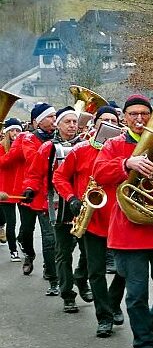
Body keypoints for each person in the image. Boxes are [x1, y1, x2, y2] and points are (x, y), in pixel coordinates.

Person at [92, 94, 153, 348]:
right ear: (124, 118)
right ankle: (144, 345)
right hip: (128, 232)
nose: (139, 119)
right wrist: (126, 163)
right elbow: (99, 173)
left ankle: (151, 328)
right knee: (136, 294)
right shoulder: (114, 144)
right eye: (133, 114)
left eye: (144, 114)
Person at [52, 106, 126, 336]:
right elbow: (59, 176)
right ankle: (104, 317)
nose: (109, 124)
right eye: (104, 120)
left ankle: (113, 302)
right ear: (95, 123)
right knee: (96, 271)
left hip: (121, 219)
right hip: (91, 218)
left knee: (124, 270)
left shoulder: (125, 150)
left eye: (114, 120)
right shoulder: (80, 150)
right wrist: (71, 198)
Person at [25, 106, 91, 312]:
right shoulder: (47, 148)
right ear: (58, 125)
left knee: (89, 251)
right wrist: (30, 188)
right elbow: (35, 173)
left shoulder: (86, 145)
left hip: (84, 205)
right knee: (63, 252)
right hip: (58, 206)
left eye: (74, 122)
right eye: (67, 122)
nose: (72, 125)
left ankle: (81, 277)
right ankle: (67, 294)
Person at [14, 103, 57, 282]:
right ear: (37, 121)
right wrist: (53, 147)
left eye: (55, 116)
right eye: (50, 117)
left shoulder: (59, 137)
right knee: (26, 230)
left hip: (47, 194)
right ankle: (29, 254)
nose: (54, 119)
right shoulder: (28, 139)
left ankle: (49, 268)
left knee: (49, 235)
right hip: (28, 191)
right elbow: (34, 160)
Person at [0, 118, 25, 262]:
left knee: (26, 223)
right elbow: (2, 162)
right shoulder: (1, 147)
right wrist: (15, 150)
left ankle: (21, 239)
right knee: (11, 222)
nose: (15, 133)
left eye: (18, 130)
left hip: (20, 190)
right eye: (13, 130)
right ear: (7, 132)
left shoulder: (23, 146)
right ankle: (13, 250)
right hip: (5, 191)